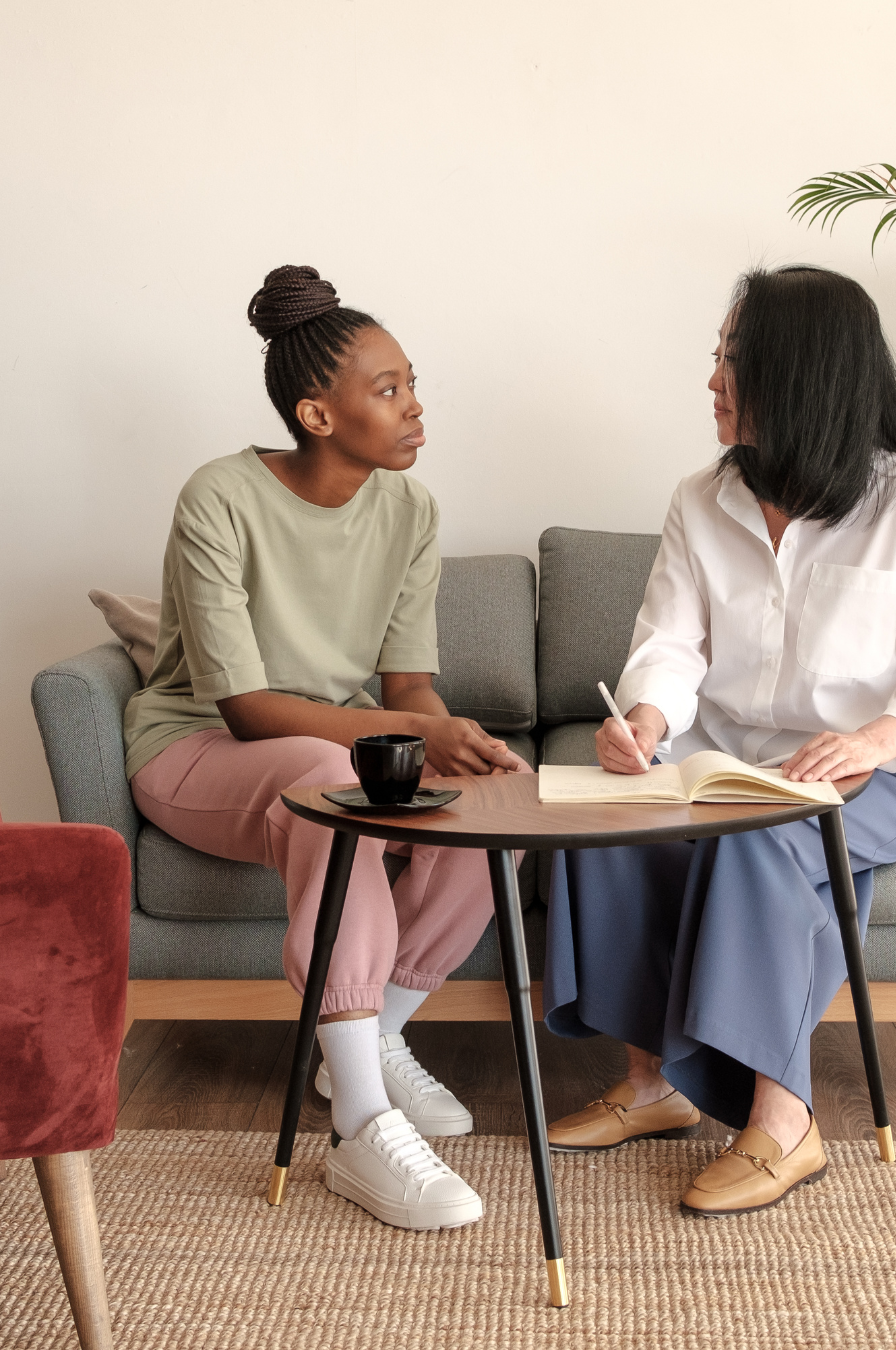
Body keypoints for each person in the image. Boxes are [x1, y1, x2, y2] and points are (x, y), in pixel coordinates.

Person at [543, 265, 896, 1216]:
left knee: (765, 842)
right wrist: (648, 723)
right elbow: (668, 643)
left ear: (799, 372)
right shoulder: (700, 498)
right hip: (732, 751)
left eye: (731, 361)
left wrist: (872, 738)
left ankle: (786, 1123)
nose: (712, 379)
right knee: (606, 816)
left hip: (889, 763)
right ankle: (652, 1084)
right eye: (716, 357)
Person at [125, 265, 530, 1231]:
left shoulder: (411, 513)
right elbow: (249, 711)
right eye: (388, 391)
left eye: (411, 383)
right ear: (316, 412)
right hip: (198, 751)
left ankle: (367, 1040)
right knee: (322, 781)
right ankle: (361, 1124)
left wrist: (450, 744)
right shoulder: (218, 495)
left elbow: (405, 692)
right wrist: (411, 733)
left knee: (493, 808)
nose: (415, 408)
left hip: (343, 747)